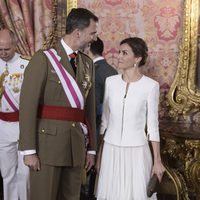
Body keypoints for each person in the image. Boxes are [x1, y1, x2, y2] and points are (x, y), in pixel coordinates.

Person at [18, 8, 98, 200]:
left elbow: (89, 110)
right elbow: (27, 107)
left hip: (76, 146)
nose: (94, 38)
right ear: (78, 32)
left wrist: (92, 149)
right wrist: (29, 150)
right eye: (92, 33)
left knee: (70, 197)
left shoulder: (87, 64)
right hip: (47, 147)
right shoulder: (43, 59)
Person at [96, 37, 165, 200]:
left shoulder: (150, 86)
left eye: (124, 53)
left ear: (137, 58)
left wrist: (157, 161)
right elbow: (104, 122)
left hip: (137, 152)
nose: (118, 56)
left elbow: (153, 127)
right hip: (111, 151)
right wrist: (99, 155)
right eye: (119, 52)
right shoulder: (110, 82)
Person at [0, 29, 30, 200]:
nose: (3, 53)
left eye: (7, 49)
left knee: (24, 174)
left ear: (15, 45)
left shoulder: (27, 64)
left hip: (22, 126)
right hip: (2, 127)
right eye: (0, 49)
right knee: (7, 173)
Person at [84, 37, 118, 144]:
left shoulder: (93, 70)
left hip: (97, 127)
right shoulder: (111, 69)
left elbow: (93, 104)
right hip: (112, 126)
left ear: (88, 48)